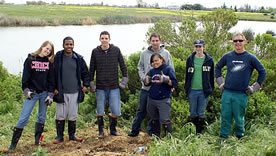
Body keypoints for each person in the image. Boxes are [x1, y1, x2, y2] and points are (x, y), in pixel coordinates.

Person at [4, 41, 55, 152]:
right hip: (32, 93)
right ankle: (12, 145)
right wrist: (26, 91)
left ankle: (37, 141)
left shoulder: (49, 63)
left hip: (44, 94)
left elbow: (51, 80)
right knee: (24, 118)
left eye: (50, 50)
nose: (47, 51)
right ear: (42, 47)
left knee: (41, 117)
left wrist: (50, 95)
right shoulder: (31, 59)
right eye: (46, 48)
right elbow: (25, 79)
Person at [215, 33, 266, 139]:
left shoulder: (250, 58)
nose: (238, 43)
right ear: (233, 43)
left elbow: (262, 72)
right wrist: (220, 83)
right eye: (235, 41)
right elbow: (217, 67)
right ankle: (223, 139)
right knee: (225, 117)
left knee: (239, 118)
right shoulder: (228, 56)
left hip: (241, 94)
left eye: (240, 41)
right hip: (227, 93)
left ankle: (239, 138)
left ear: (245, 42)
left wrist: (254, 87)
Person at [128, 33, 174, 137]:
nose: (155, 42)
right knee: (142, 109)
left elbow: (171, 69)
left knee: (157, 114)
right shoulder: (144, 53)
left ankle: (153, 133)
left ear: (160, 41)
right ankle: (135, 131)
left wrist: (171, 84)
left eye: (157, 40)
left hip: (161, 88)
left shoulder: (166, 53)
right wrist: (143, 77)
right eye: (153, 40)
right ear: (150, 41)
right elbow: (140, 67)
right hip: (146, 87)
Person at [89, 31, 128, 138]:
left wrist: (124, 81)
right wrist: (91, 84)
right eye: (102, 38)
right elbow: (91, 69)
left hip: (114, 86)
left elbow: (123, 66)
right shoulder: (95, 52)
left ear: (109, 39)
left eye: (106, 38)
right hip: (100, 86)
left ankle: (113, 129)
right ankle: (100, 131)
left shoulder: (116, 50)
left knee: (116, 110)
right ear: (100, 39)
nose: (104, 40)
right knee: (100, 110)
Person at [53, 36, 90, 144]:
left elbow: (85, 74)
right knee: (60, 115)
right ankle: (59, 136)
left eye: (71, 44)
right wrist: (54, 88)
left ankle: (72, 136)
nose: (69, 46)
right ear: (63, 45)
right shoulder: (58, 57)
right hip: (61, 92)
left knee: (73, 114)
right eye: (67, 44)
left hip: (75, 92)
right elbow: (52, 74)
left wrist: (86, 85)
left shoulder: (78, 59)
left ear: (73, 45)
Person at [184, 39, 214, 133]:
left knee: (201, 113)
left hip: (204, 91)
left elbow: (212, 76)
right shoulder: (190, 59)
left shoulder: (209, 60)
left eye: (200, 46)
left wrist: (210, 89)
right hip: (192, 90)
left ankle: (199, 133)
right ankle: (192, 132)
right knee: (193, 112)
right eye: (196, 46)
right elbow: (187, 75)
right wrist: (186, 88)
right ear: (194, 48)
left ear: (203, 47)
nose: (198, 48)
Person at [144, 53, 177, 137]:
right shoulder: (151, 71)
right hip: (152, 99)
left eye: (156, 60)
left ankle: (169, 140)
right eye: (153, 61)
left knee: (164, 120)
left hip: (164, 99)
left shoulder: (168, 69)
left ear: (161, 60)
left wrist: (167, 80)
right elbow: (147, 83)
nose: (155, 63)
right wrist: (146, 81)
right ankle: (156, 138)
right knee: (154, 119)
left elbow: (174, 83)